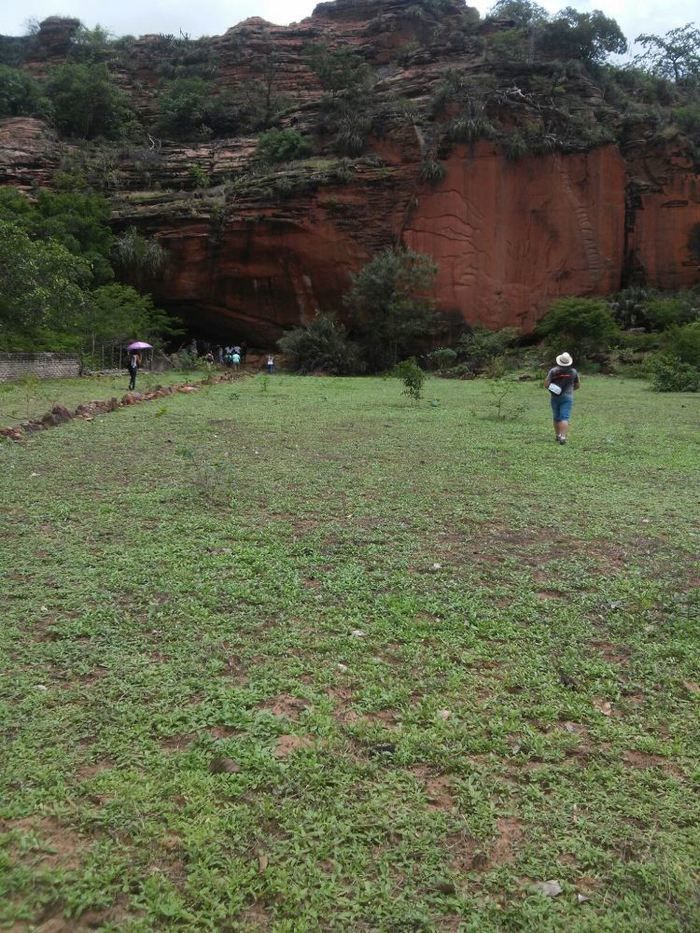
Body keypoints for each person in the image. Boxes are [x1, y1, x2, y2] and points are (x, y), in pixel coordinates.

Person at [545, 352, 580, 444]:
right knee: (564, 417)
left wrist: (554, 389)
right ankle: (563, 437)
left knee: (556, 417)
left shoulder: (553, 371)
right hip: (567, 396)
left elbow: (546, 384)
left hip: (555, 397)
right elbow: (577, 385)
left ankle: (557, 435)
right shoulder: (573, 372)